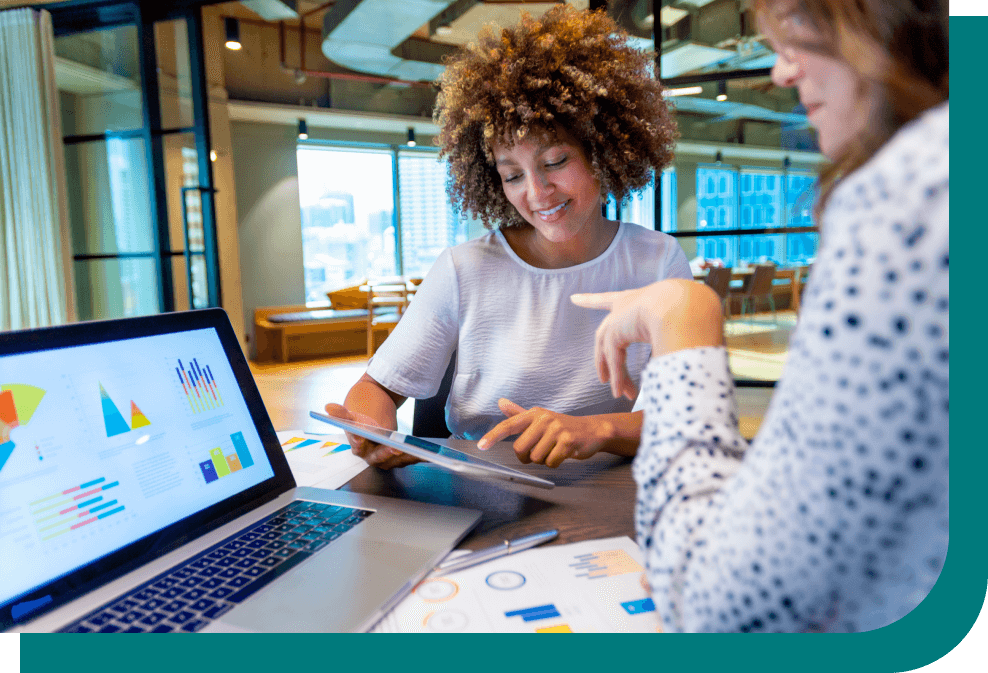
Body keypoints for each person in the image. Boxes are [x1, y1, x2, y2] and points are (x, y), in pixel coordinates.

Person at [572, 0, 948, 632]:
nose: (780, 72)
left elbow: (721, 604)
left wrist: (681, 318)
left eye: (798, 31)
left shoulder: (910, 200)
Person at [323, 5, 689, 470]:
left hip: (613, 491)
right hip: (482, 486)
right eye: (512, 174)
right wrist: (371, 429)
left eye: (555, 162)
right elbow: (377, 388)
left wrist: (594, 430)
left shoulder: (657, 261)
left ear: (604, 150)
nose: (537, 193)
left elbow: (681, 416)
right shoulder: (464, 269)